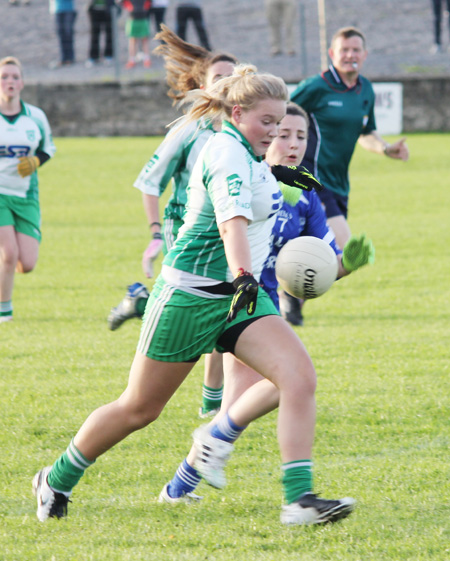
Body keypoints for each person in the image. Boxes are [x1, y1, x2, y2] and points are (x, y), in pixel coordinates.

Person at [32, 65, 355, 526]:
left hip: (239, 300)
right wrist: (245, 273)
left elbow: (258, 187)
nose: (275, 132)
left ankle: (299, 501)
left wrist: (285, 177)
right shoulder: (224, 151)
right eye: (267, 122)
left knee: (299, 377)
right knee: (139, 408)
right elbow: (231, 222)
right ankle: (56, 478)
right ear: (238, 113)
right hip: (190, 295)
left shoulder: (251, 152)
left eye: (280, 124)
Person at [158, 102, 374, 508]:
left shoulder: (307, 192)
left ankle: (178, 489)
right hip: (231, 300)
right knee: (272, 390)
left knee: (239, 409)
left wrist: (347, 264)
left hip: (265, 307)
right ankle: (292, 497)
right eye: (284, 133)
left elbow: (315, 276)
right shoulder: (245, 175)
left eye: (301, 137)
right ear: (267, 132)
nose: (292, 144)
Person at [108, 24, 237, 418]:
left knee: (223, 308)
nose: (228, 83)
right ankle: (213, 406)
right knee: (203, 309)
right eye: (219, 77)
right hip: (184, 230)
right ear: (203, 84)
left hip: (226, 233)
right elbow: (150, 183)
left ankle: (212, 405)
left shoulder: (242, 131)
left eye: (234, 76)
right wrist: (153, 234)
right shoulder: (188, 130)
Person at [291, 26, 409, 255]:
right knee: (340, 250)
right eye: (344, 50)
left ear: (365, 55)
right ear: (332, 54)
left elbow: (365, 133)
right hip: (312, 179)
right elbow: (281, 114)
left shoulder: (365, 89)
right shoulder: (316, 87)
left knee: (316, 260)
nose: (350, 55)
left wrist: (385, 148)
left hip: (339, 185)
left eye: (356, 50)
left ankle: (283, 291)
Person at [0, 57, 56, 323]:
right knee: (9, 254)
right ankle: (4, 313)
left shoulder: (35, 116)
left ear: (21, 82)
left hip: (25, 195)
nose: (9, 81)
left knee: (27, 264)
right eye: (4, 77)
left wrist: (35, 161)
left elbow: (49, 148)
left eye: (14, 77)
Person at [122, 0, 152, 68]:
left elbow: (149, 2)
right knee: (132, 40)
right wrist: (129, 7)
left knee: (144, 39)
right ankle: (132, 60)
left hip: (143, 18)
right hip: (132, 18)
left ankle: (147, 59)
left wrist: (145, 7)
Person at [85, 0, 115, 67]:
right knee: (94, 34)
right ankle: (93, 57)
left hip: (108, 10)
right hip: (94, 10)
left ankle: (109, 56)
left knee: (109, 34)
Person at [49, 0, 77, 67]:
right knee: (61, 35)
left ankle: (70, 57)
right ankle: (63, 58)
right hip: (57, 10)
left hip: (69, 10)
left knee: (68, 34)